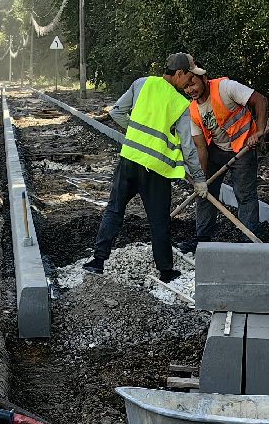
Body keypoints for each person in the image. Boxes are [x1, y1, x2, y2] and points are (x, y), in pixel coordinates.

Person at [83, 52, 208, 282]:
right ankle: (166, 271)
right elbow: (189, 148)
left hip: (129, 160)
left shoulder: (142, 83)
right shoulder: (180, 104)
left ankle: (97, 261)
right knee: (159, 221)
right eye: (188, 77)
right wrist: (199, 179)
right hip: (156, 171)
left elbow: (116, 112)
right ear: (179, 73)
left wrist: (134, 132)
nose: (189, 82)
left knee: (114, 210)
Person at [189, 69, 269, 241]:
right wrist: (200, 178)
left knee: (245, 195)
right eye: (186, 87)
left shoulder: (225, 88)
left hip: (243, 147)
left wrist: (260, 131)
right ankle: (202, 238)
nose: (190, 89)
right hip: (216, 150)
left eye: (193, 83)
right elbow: (201, 147)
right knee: (205, 192)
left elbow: (260, 100)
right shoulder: (193, 110)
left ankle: (249, 241)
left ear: (204, 78)